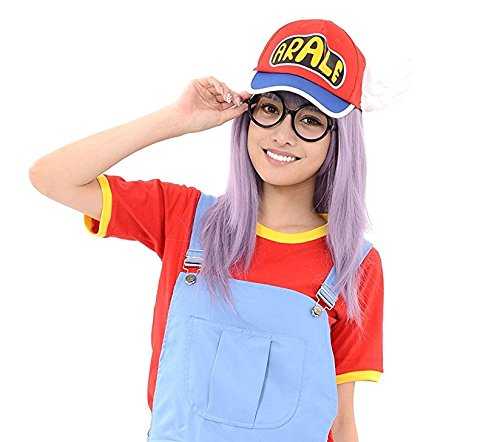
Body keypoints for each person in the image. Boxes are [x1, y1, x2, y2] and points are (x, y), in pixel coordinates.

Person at [29, 18, 384, 442]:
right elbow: (52, 177)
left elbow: (342, 421)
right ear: (248, 115)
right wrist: (176, 119)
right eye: (270, 109)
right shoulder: (184, 217)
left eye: (309, 120)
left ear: (339, 139)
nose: (282, 135)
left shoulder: (354, 264)